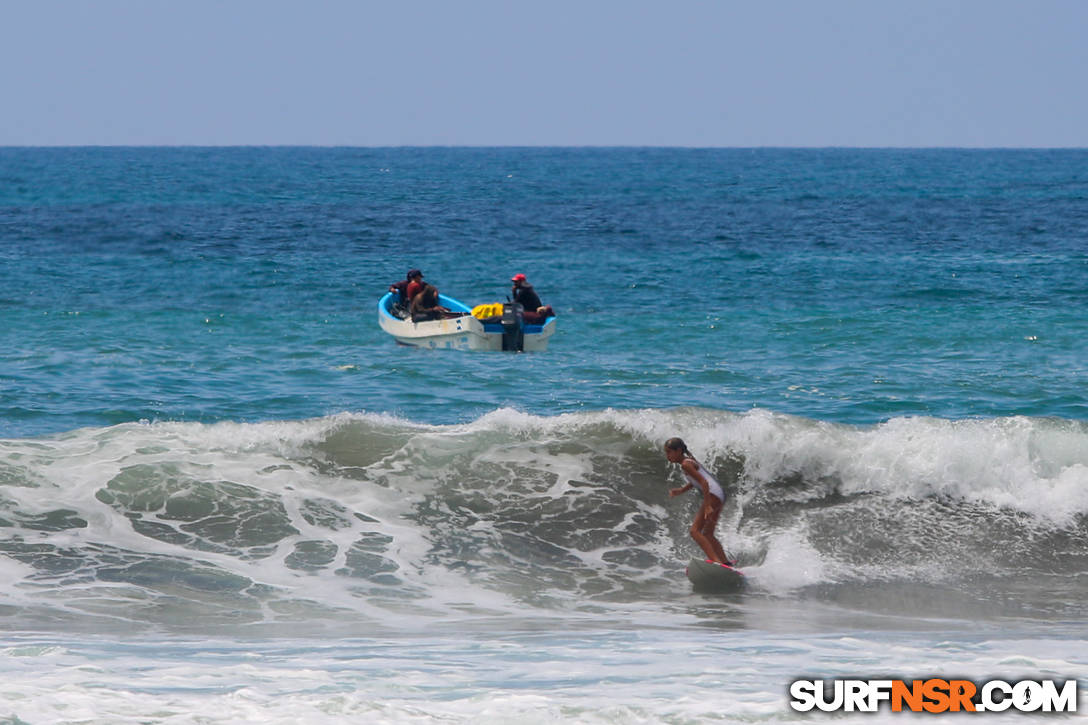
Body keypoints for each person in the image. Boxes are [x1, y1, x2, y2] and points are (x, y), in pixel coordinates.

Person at [664, 437, 733, 566]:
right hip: (719, 494)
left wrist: (707, 506)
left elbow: (704, 482)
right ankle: (725, 563)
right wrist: (681, 490)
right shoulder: (688, 462)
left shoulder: (686, 464)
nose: (667, 455)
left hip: (713, 494)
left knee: (694, 531)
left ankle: (716, 562)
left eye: (669, 452)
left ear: (678, 451)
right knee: (707, 533)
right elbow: (697, 480)